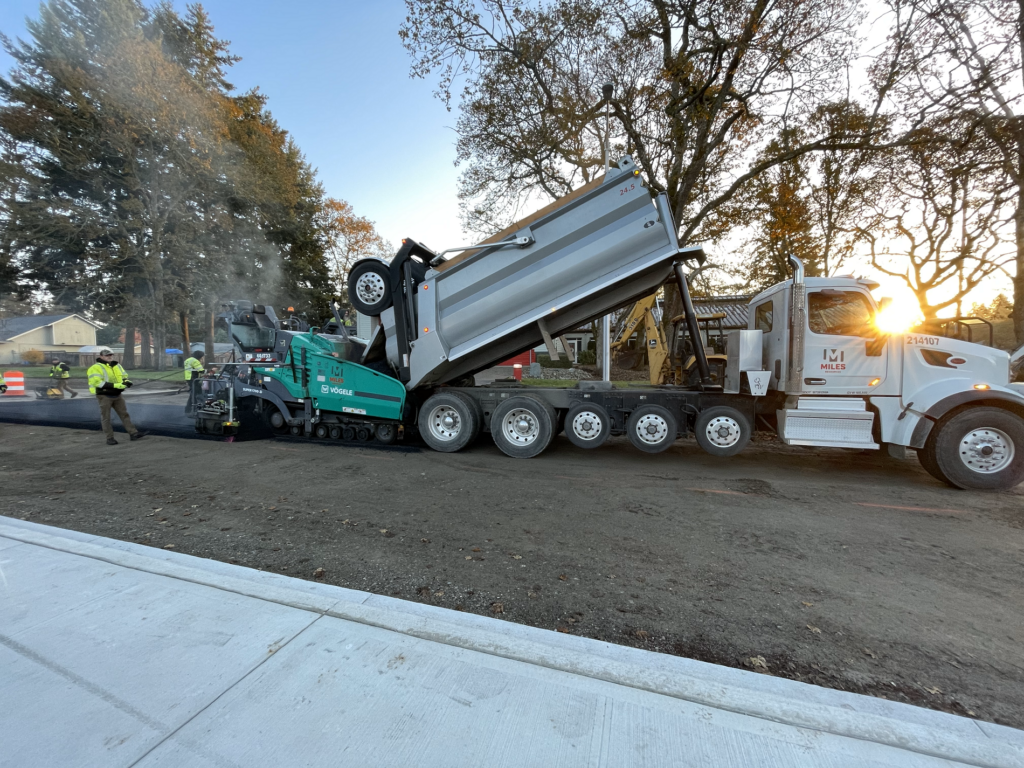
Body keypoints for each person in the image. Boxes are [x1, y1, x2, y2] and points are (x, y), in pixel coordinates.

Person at [87, 347, 145, 445]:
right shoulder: (95, 367)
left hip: (117, 394)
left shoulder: (117, 365)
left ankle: (133, 433)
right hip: (104, 395)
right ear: (101, 356)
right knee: (106, 417)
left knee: (124, 414)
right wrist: (115, 385)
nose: (109, 357)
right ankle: (109, 438)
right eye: (107, 355)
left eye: (111, 355)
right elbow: (97, 382)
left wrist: (126, 382)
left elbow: (123, 376)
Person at [183, 350, 205, 415]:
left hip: (188, 378)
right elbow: (201, 371)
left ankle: (189, 409)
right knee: (196, 394)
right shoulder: (195, 361)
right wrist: (211, 371)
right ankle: (192, 409)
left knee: (194, 394)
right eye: (202, 357)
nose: (202, 358)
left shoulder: (188, 360)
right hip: (193, 379)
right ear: (200, 356)